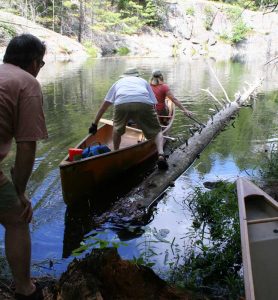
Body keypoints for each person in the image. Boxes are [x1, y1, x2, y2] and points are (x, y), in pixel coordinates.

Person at [0, 34, 48, 299]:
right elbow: (27, 146)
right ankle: (25, 289)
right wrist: (20, 192)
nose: (40, 69)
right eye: (41, 63)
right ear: (33, 62)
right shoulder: (27, 83)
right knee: (17, 218)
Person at [88, 67, 168, 170]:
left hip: (121, 103)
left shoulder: (118, 83)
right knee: (157, 131)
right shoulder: (143, 81)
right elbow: (153, 104)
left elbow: (104, 106)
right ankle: (161, 155)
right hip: (143, 103)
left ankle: (115, 153)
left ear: (124, 76)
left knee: (116, 129)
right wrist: (152, 122)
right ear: (137, 76)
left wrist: (94, 124)